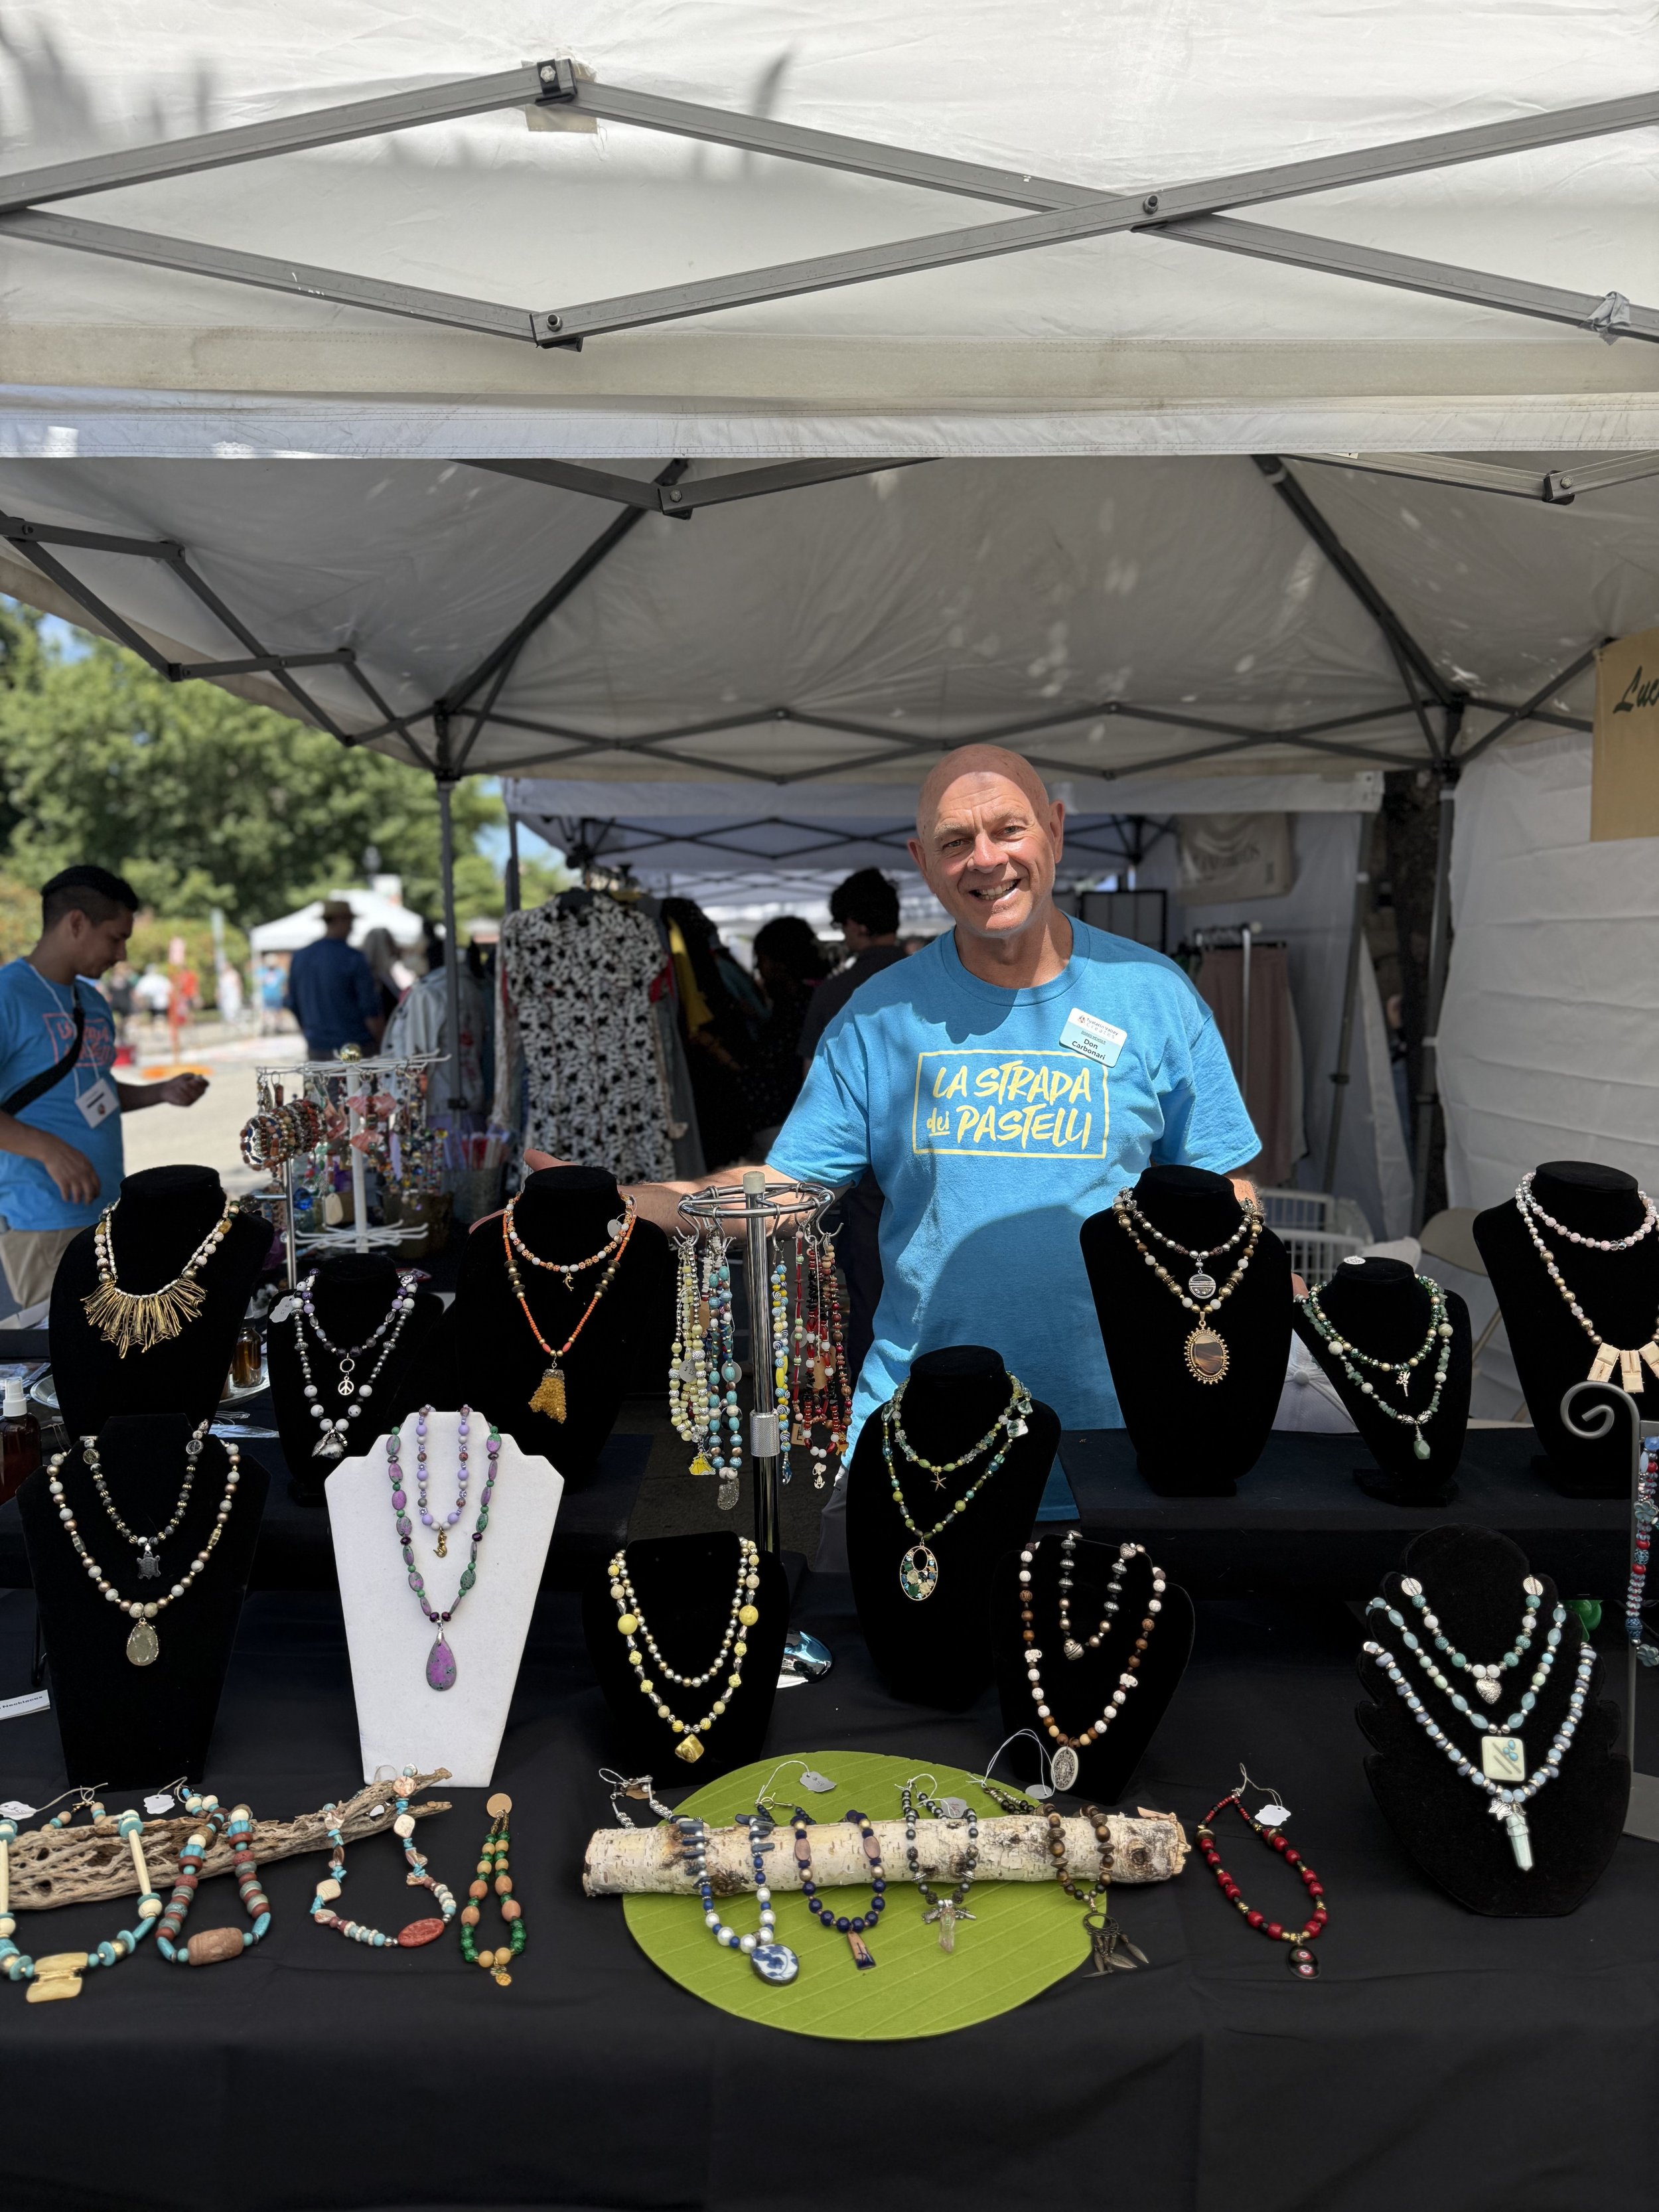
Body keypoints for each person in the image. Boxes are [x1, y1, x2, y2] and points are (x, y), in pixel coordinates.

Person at [598, 745, 1259, 1542]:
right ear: (922, 860)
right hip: (916, 1440)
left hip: (1117, 1443)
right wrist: (637, 1201)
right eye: (954, 841)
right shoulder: (879, 1019)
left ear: (1052, 829)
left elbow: (1223, 1193)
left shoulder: (1153, 995)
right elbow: (780, 1192)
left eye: (1008, 829)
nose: (985, 860)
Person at [0, 866, 210, 1329]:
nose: (122, 954)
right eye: (116, 938)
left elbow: (92, 1087)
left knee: (116, 1357)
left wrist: (160, 1091)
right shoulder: (8, 994)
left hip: (110, 1211)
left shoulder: (91, 1002)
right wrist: (48, 1150)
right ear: (75, 922)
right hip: (42, 1217)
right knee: (62, 1364)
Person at [796, 867, 908, 1067]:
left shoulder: (832, 993)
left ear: (857, 926)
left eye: (842, 925)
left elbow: (813, 1082)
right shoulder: (938, 982)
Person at [743, 915, 831, 1143]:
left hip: (786, 1127)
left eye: (761, 960)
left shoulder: (793, 1007)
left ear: (780, 962)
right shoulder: (816, 998)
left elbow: (776, 1066)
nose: (758, 968)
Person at [285, 899, 384, 1061]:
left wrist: (311, 1035)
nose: (352, 927)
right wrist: (382, 1045)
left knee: (321, 1087)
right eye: (350, 921)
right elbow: (370, 1009)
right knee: (360, 1087)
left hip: (318, 1047)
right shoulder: (353, 958)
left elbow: (293, 1003)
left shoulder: (300, 957)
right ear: (340, 920)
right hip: (355, 1047)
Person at [257, 955, 287, 1035]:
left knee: (278, 1012)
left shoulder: (279, 972)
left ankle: (278, 1026)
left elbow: (283, 982)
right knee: (264, 1012)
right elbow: (259, 980)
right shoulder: (262, 971)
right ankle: (264, 1027)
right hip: (266, 995)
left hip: (277, 995)